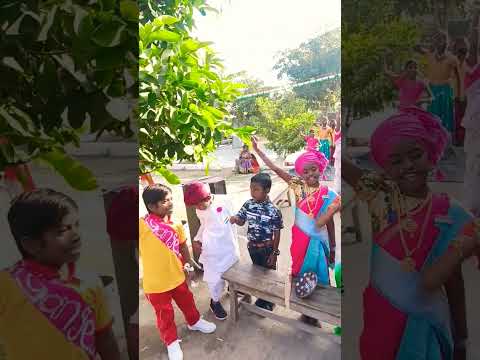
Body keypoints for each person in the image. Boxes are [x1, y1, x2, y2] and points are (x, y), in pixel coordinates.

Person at [342, 107, 477, 359]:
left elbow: (454, 282)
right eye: (396, 161)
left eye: (416, 155)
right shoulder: (380, 198)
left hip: (427, 324)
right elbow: (346, 168)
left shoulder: (451, 212)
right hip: (380, 316)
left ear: (431, 154)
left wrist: (462, 341)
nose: (408, 166)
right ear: (385, 166)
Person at [0, 189, 121, 360]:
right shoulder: (7, 284)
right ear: (31, 244)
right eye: (63, 230)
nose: (76, 235)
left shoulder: (90, 282)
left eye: (77, 225)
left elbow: (104, 338)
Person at [251, 138, 340, 326]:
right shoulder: (298, 187)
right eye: (305, 171)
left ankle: (316, 315)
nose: (310, 174)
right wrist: (258, 151)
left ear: (321, 168)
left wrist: (332, 247)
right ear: (300, 173)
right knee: (300, 273)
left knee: (320, 276)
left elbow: (329, 222)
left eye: (313, 169)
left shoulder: (328, 194)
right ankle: (304, 312)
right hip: (299, 240)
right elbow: (275, 169)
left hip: (319, 242)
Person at [140, 184, 216, 360]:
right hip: (156, 284)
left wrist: (189, 262)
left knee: (188, 302)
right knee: (164, 315)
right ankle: (171, 342)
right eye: (165, 201)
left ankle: (194, 322)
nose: (170, 203)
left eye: (171, 199)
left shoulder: (176, 224)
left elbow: (182, 245)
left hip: (177, 276)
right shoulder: (142, 225)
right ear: (152, 206)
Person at [183, 181, 239, 320]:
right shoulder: (199, 209)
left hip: (229, 245)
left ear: (208, 197)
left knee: (233, 270)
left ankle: (230, 289)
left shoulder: (226, 201)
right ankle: (214, 302)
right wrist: (197, 239)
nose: (197, 208)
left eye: (199, 204)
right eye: (195, 205)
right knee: (215, 279)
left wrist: (237, 219)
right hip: (212, 249)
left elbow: (236, 219)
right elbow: (205, 225)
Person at [230, 173, 283, 311]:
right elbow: (242, 222)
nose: (252, 192)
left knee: (269, 276)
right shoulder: (248, 204)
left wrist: (274, 253)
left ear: (267, 190)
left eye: (256, 189)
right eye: (251, 188)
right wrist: (236, 219)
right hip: (253, 247)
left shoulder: (274, 210)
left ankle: (270, 302)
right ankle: (261, 299)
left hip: (267, 249)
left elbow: (277, 232)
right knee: (257, 274)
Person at [414, 31, 462, 139]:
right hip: (432, 91)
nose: (440, 42)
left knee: (446, 116)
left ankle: (447, 141)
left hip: (446, 90)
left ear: (447, 42)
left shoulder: (452, 58)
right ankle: (433, 140)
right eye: (437, 39)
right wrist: (430, 44)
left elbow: (458, 79)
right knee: (432, 116)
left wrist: (458, 95)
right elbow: (415, 47)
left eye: (442, 39)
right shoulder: (429, 54)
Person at [462, 11, 480, 216]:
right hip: (476, 126)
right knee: (474, 166)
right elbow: (473, 46)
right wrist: (475, 21)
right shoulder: (473, 73)